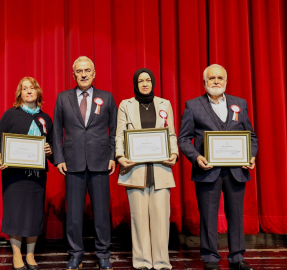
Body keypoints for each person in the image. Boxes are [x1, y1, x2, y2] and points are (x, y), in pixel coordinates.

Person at [178, 64, 258, 270]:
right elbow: (184, 139)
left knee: (236, 215)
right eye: (211, 78)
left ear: (226, 81)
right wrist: (196, 158)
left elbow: (252, 137)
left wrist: (251, 155)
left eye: (219, 78)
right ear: (204, 82)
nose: (216, 81)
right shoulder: (192, 106)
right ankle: (210, 258)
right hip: (207, 170)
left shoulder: (239, 104)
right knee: (208, 216)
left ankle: (237, 257)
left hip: (236, 171)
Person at [53, 56, 117, 270]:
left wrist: (112, 156)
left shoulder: (106, 97)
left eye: (87, 70)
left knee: (101, 213)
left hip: (100, 163)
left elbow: (115, 130)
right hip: (72, 163)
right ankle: (75, 253)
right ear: (73, 75)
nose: (83, 74)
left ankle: (103, 253)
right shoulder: (63, 98)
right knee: (73, 215)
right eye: (79, 71)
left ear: (94, 73)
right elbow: (56, 131)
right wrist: (59, 158)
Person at [115, 68, 178, 270]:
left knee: (161, 218)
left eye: (148, 80)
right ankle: (142, 261)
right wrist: (120, 156)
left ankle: (161, 262)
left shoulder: (164, 104)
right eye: (141, 80)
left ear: (153, 83)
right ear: (135, 83)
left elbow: (171, 134)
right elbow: (120, 135)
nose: (145, 83)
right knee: (139, 218)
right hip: (135, 169)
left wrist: (174, 154)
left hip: (161, 169)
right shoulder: (126, 105)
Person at [0, 77, 53, 270]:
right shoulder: (10, 115)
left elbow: (53, 147)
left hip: (36, 176)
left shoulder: (46, 118)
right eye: (24, 88)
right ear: (19, 93)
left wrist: (50, 151)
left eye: (32, 88)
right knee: (16, 213)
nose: (28, 91)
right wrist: (0, 155)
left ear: (38, 92)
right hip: (14, 176)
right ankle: (17, 255)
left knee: (34, 214)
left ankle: (31, 254)